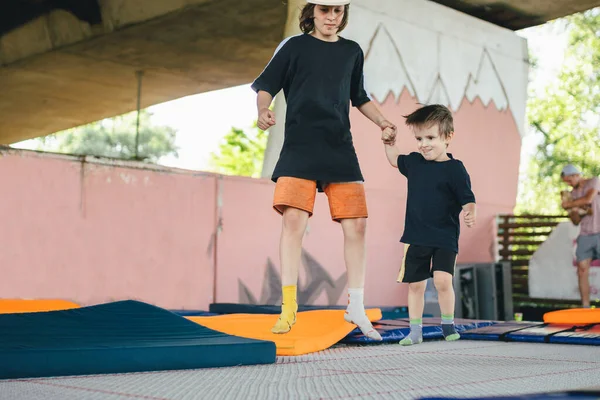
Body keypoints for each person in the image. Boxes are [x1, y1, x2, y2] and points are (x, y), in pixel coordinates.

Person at [251, 0, 397, 339]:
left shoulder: (352, 52)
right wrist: (263, 109)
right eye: (325, 10)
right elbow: (266, 85)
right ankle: (289, 308)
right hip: (299, 147)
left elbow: (359, 96)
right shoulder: (294, 47)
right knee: (293, 221)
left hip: (339, 149)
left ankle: (356, 307)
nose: (332, 17)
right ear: (311, 12)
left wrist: (384, 123)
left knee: (357, 225)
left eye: (338, 11)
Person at [382, 104, 476, 345]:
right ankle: (415, 331)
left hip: (445, 236)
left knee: (443, 281)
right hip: (416, 236)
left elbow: (467, 198)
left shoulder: (455, 169)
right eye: (419, 138)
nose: (424, 144)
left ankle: (447, 325)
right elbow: (394, 159)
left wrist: (469, 212)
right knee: (415, 285)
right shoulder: (414, 163)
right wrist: (389, 142)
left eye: (431, 137)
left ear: (448, 137)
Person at [560, 164, 600, 308]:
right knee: (582, 269)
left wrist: (569, 204)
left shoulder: (594, 181)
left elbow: (589, 199)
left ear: (575, 175)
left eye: (569, 181)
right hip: (585, 234)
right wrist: (573, 210)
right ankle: (586, 307)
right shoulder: (573, 194)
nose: (569, 184)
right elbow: (575, 221)